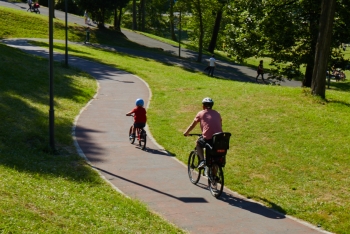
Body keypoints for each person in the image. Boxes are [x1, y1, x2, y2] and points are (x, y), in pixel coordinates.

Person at [183, 97, 222, 169]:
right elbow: (220, 125)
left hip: (208, 138)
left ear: (203, 106)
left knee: (198, 143)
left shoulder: (201, 113)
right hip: (219, 139)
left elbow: (193, 125)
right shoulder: (217, 113)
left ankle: (202, 161)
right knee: (215, 157)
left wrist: (186, 132)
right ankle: (214, 177)